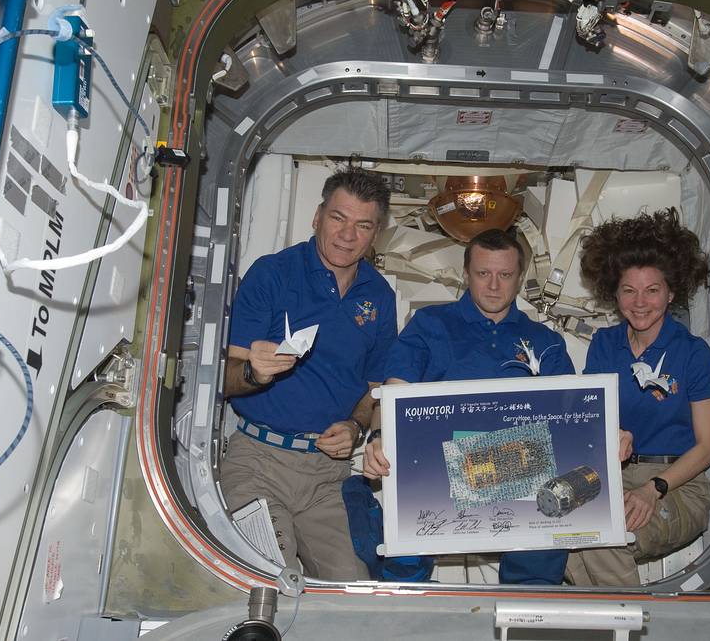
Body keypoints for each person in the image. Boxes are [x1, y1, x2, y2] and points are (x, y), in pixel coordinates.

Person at [363, 228, 631, 585]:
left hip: (525, 473)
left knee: (544, 544)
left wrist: (610, 435)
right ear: (465, 274)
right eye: (483, 273)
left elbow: (572, 416)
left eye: (504, 275)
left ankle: (529, 610)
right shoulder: (429, 325)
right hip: (436, 474)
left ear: (519, 278)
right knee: (403, 558)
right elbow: (394, 394)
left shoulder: (546, 341)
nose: (493, 285)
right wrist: (379, 437)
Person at [220, 165, 395, 580]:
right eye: (338, 218)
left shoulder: (380, 296)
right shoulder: (272, 274)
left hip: (328, 474)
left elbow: (375, 390)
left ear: (376, 234)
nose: (347, 235)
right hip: (258, 462)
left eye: (363, 225)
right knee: (268, 584)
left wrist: (356, 426)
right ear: (317, 217)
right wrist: (255, 373)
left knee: (354, 589)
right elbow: (223, 377)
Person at [564, 208, 710, 587]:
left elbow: (707, 447)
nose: (640, 302)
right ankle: (616, 615)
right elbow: (590, 420)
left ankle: (627, 615)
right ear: (614, 294)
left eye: (652, 290)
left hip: (676, 485)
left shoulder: (693, 353)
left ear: (671, 293)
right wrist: (610, 432)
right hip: (612, 478)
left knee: (603, 532)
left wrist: (654, 489)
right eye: (628, 290)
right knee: (556, 537)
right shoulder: (604, 344)